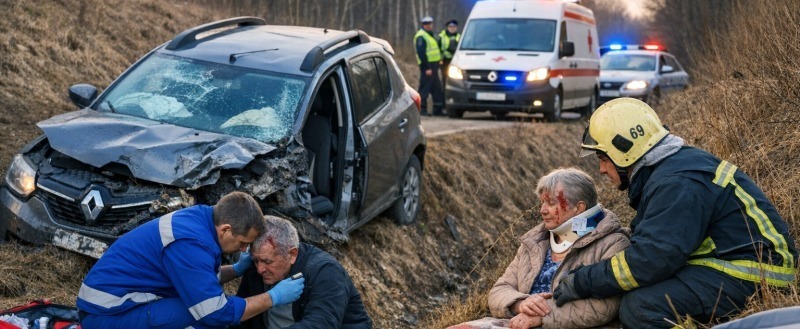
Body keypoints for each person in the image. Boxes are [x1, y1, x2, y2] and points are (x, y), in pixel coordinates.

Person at [554, 97, 798, 328]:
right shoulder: (670, 170)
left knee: (640, 307)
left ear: (624, 150)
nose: (601, 169)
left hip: (758, 275)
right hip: (735, 264)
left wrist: (583, 282)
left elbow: (651, 261)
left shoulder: (676, 183)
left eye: (603, 158)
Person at [77, 192, 306, 329]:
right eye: (242, 242)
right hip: (106, 315)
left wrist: (236, 270)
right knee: (204, 316)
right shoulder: (190, 243)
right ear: (226, 230)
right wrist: (273, 297)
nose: (244, 249)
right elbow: (215, 312)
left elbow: (196, 278)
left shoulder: (202, 219)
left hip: (117, 302)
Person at [450, 168, 630, 329]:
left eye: (551, 203)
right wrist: (521, 303)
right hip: (519, 323)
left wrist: (542, 317)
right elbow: (499, 290)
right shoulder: (535, 242)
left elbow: (604, 306)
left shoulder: (613, 243)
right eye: (542, 203)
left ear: (578, 208)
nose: (542, 210)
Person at [235, 215, 372, 328]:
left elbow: (321, 324)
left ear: (292, 254)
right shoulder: (255, 267)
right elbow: (240, 317)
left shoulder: (326, 272)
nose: (260, 269)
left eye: (268, 262)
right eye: (256, 260)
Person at [414, 16, 444, 116]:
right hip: (427, 66)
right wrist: (426, 68)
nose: (428, 26)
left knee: (436, 88)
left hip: (434, 65)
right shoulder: (421, 36)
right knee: (425, 88)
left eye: (430, 24)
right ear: (423, 25)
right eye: (426, 24)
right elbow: (421, 53)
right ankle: (421, 109)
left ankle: (438, 110)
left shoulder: (431, 35)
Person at [438, 19, 461, 87]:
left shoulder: (460, 36)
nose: (452, 28)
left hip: (456, 61)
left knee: (456, 78)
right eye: (450, 27)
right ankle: (444, 91)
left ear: (456, 28)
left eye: (453, 27)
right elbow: (438, 49)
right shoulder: (442, 37)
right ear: (447, 27)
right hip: (445, 61)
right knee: (445, 78)